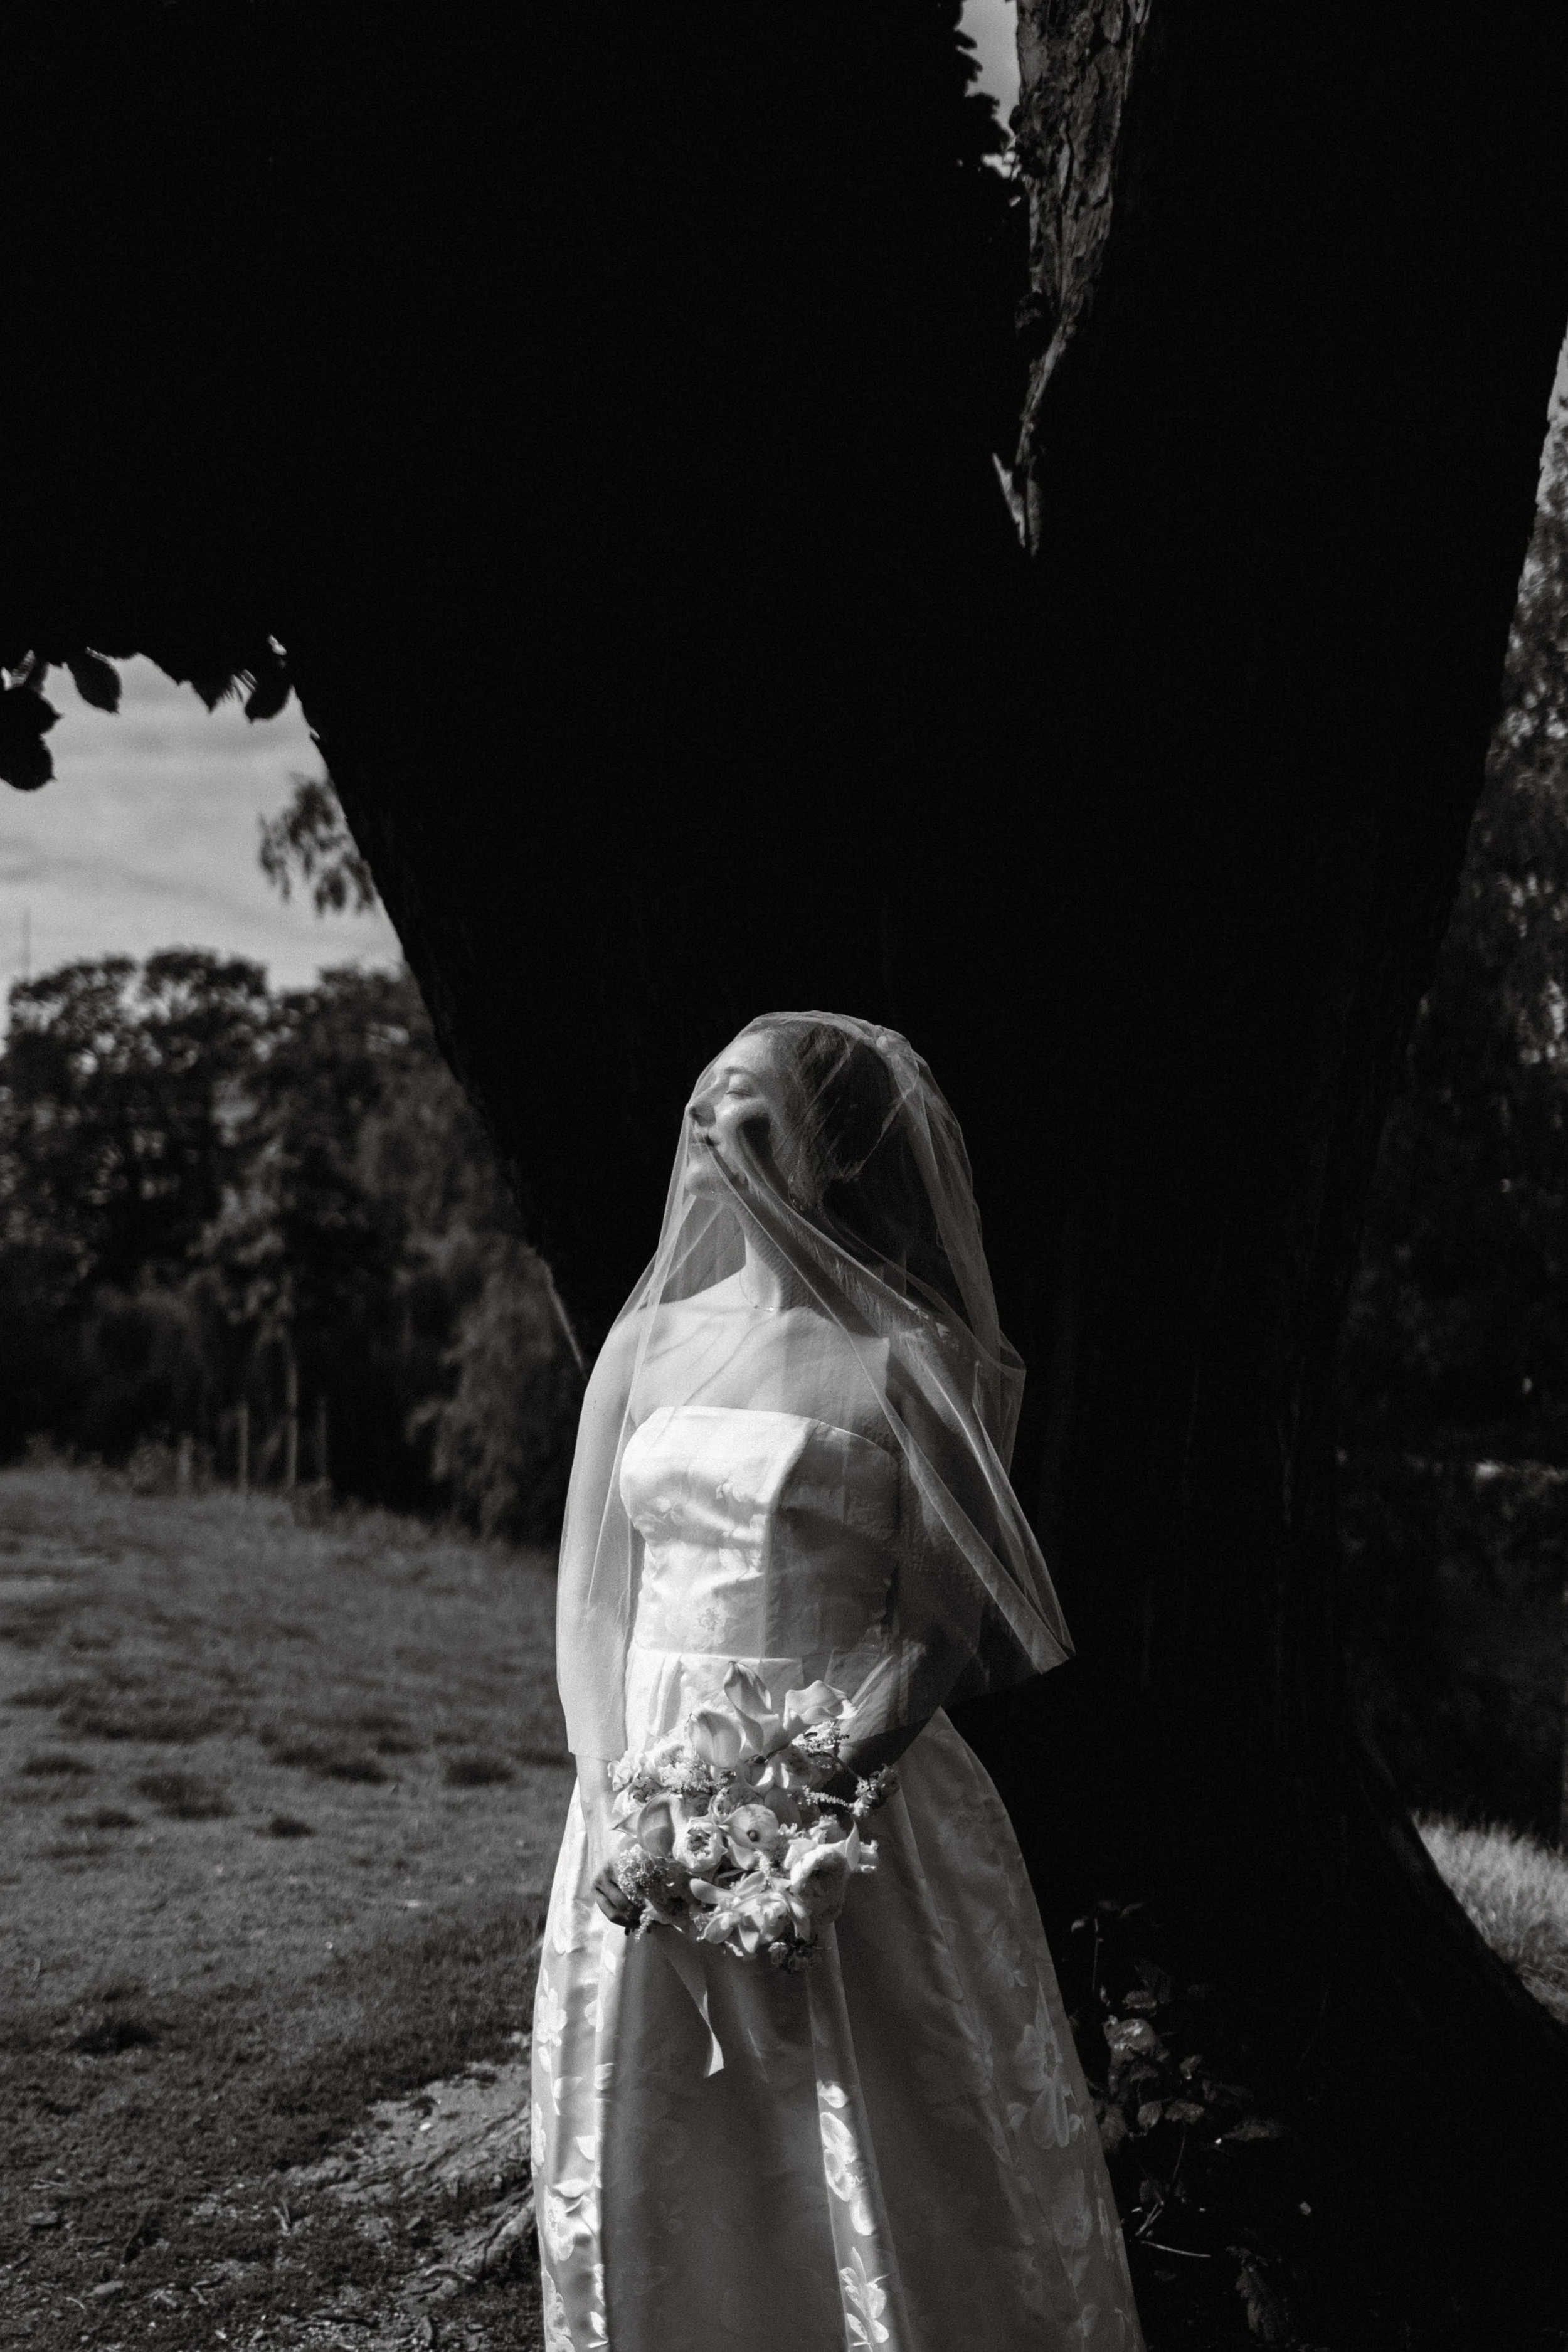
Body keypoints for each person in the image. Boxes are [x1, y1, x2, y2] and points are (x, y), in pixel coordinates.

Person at [531, 1011, 1144, 2351]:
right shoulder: (640, 1353)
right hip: (636, 1805)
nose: (703, 1122)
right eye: (697, 1097)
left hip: (843, 1818)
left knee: (874, 2138)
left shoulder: (906, 1363)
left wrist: (804, 1788)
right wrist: (614, 1794)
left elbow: (932, 1634)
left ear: (823, 1145)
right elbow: (590, 1597)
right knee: (659, 2141)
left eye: (742, 1104)